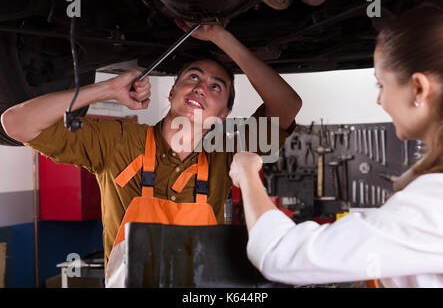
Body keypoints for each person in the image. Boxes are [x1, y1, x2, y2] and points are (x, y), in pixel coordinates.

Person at [0, 21, 302, 285]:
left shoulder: (225, 154)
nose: (200, 88)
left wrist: (221, 37)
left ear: (223, 115)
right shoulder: (120, 141)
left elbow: (288, 105)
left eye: (216, 87)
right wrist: (107, 89)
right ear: (172, 92)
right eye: (193, 78)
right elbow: (16, 123)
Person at [229, 3, 443, 288]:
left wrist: (248, 174)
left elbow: (280, 255)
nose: (379, 100)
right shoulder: (434, 195)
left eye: (380, 84)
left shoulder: (437, 204)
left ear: (419, 88)